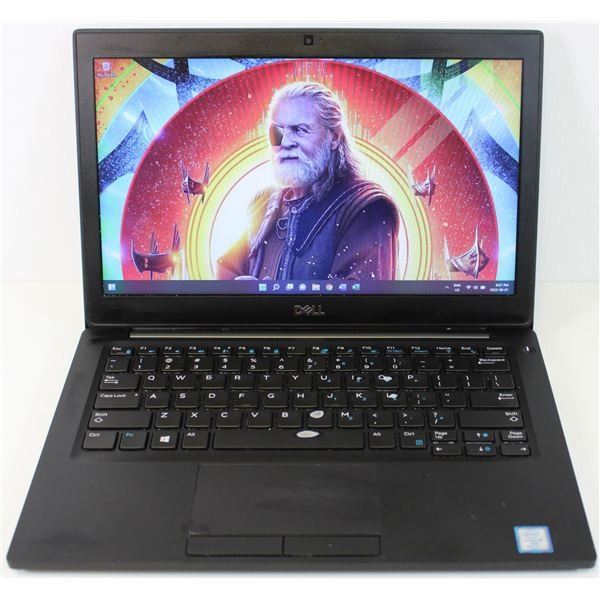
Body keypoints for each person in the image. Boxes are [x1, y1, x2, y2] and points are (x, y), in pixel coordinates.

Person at [215, 81, 399, 281]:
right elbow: (227, 270)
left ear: (334, 138)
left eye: (300, 130)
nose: (285, 142)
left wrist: (271, 298)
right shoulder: (263, 203)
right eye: (278, 132)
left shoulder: (367, 207)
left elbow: (365, 297)